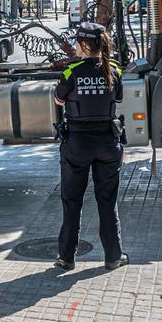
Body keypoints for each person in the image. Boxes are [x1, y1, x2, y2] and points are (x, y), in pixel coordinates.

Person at [53, 22, 126, 271]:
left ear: (83, 44)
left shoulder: (70, 71)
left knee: (72, 202)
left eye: (76, 42)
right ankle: (113, 257)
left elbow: (58, 99)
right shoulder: (113, 69)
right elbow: (118, 97)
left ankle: (66, 258)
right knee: (107, 201)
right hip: (108, 143)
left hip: (77, 145)